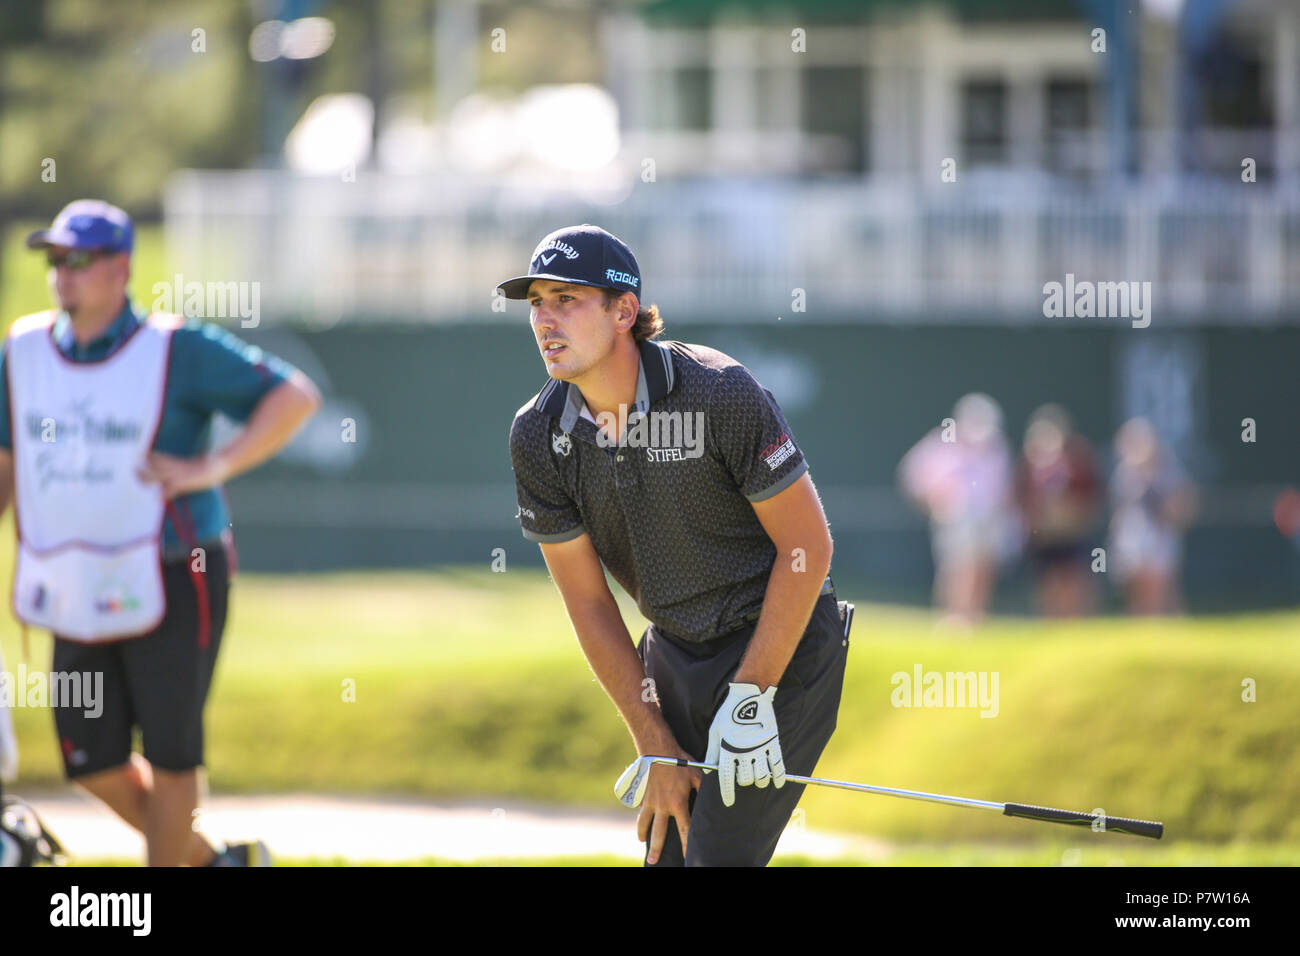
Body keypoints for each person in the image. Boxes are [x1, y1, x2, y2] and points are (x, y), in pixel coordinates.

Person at [503, 224, 853, 867]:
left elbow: (807, 548)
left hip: (785, 643)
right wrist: (652, 742)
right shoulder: (537, 435)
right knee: (670, 859)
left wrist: (751, 695)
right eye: (535, 303)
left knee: (714, 860)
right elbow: (588, 603)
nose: (545, 320)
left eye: (567, 299)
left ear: (624, 311)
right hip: (673, 654)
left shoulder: (720, 392)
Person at [0, 199, 322, 866]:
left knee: (174, 759)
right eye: (55, 259)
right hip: (71, 583)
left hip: (178, 571)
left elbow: (294, 397)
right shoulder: (23, 352)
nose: (62, 273)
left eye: (78, 259)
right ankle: (210, 861)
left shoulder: (178, 348)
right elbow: (9, 462)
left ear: (120, 268)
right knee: (90, 760)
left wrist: (212, 467)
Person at [897, 393, 1017, 627]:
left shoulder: (997, 448)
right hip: (956, 517)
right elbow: (913, 475)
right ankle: (952, 617)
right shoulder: (943, 442)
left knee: (982, 567)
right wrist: (935, 500)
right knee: (957, 567)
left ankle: (975, 617)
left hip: (990, 517)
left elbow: (1004, 485)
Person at [1014, 404, 1102, 617]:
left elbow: (1091, 499)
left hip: (1071, 535)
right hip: (1043, 538)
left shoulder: (1077, 463)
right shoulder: (1028, 467)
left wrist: (1071, 514)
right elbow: (1021, 500)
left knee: (1075, 584)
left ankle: (1077, 624)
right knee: (1047, 587)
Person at [1107, 418, 1198, 615]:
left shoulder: (1168, 472)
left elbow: (1183, 508)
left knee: (1161, 590)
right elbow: (1120, 510)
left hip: (1159, 538)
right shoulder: (1123, 474)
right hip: (1132, 540)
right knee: (1136, 594)